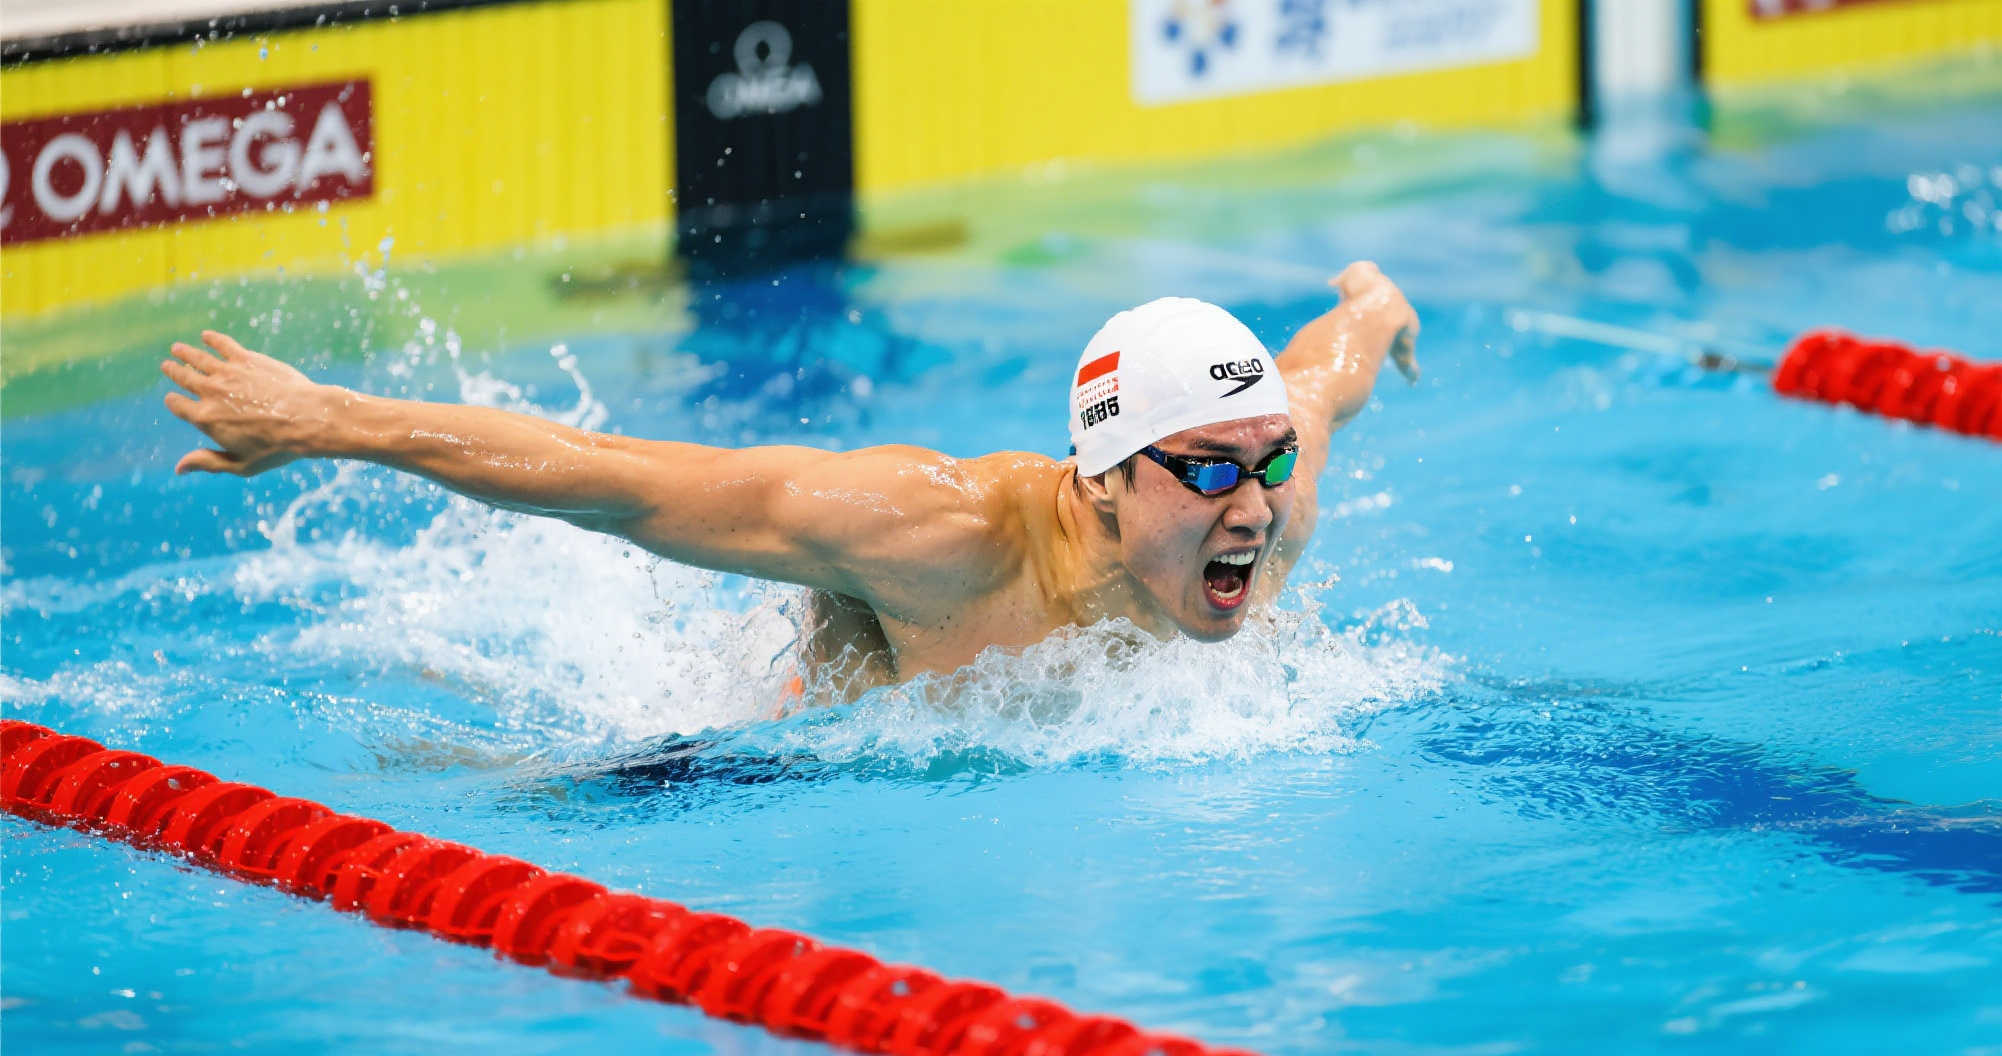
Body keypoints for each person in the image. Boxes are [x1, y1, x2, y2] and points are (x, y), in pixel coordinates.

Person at [162, 260, 1419, 700]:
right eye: (1207, 469)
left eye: (1263, 466)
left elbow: (1324, 375)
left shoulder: (1271, 500)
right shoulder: (932, 537)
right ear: (1097, 480)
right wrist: (331, 418)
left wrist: (1371, 305)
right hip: (770, 751)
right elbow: (617, 479)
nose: (1252, 505)